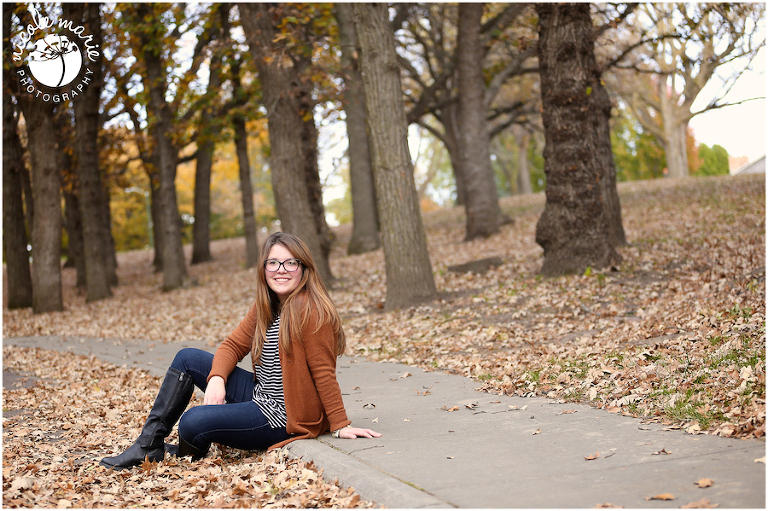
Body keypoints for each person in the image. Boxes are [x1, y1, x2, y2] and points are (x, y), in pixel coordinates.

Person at [100, 232, 381, 470]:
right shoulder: (268, 306)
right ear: (264, 269)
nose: (281, 269)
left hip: (284, 416)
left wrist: (340, 424)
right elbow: (232, 345)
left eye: (289, 263)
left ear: (303, 268)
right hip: (260, 394)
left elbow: (323, 371)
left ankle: (188, 452)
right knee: (186, 358)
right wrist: (217, 379)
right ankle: (148, 445)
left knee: (192, 422)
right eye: (273, 263)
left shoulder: (310, 310)